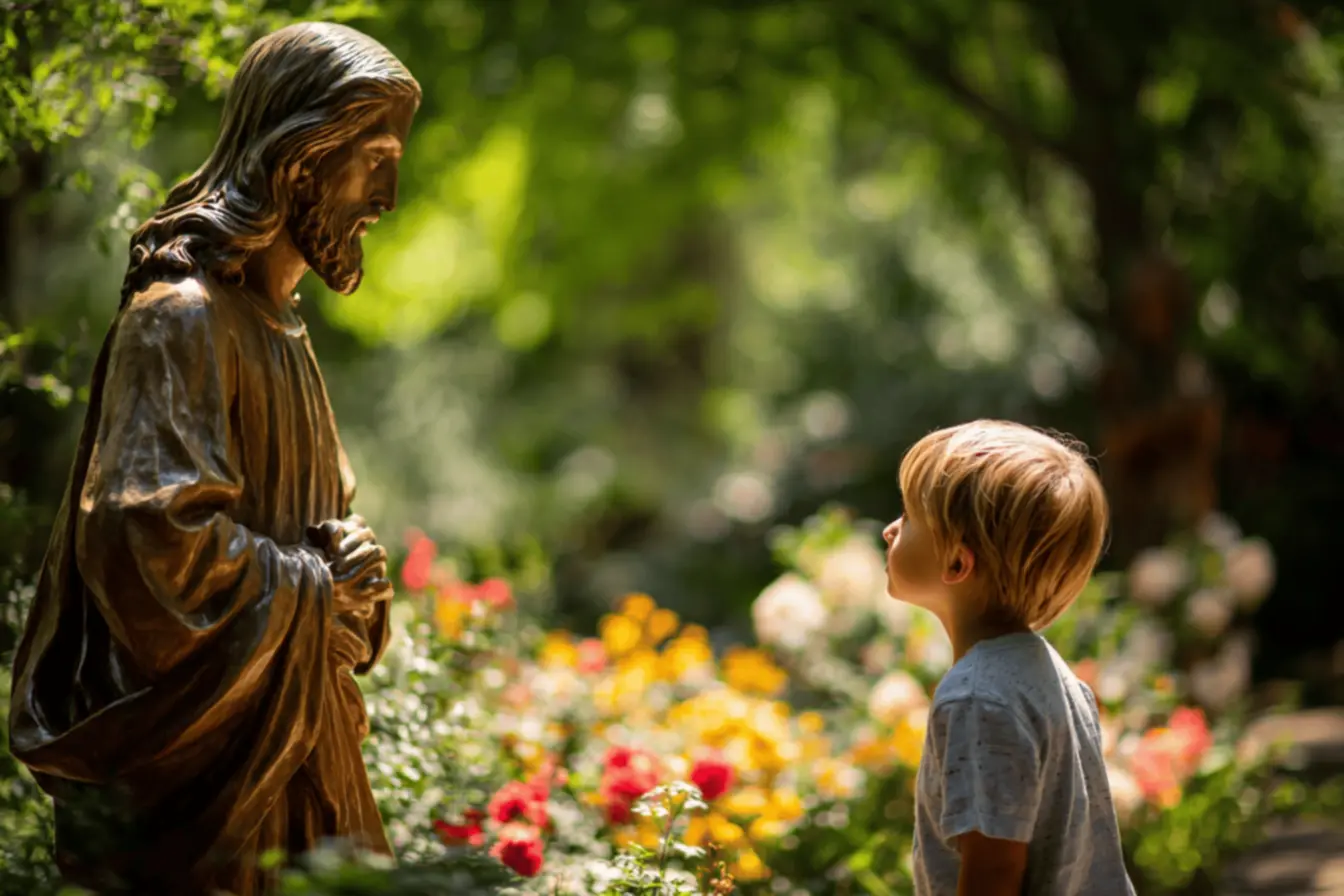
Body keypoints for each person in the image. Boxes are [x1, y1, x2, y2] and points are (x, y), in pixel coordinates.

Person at [7, 22, 420, 895]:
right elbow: (148, 544)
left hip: (299, 756)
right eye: (373, 158)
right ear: (299, 159)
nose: (388, 195)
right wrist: (314, 587)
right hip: (204, 779)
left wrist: (355, 572)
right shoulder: (181, 319)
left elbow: (313, 528)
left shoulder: (286, 333)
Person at [882, 420, 1136, 895]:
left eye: (909, 516)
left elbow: (994, 871)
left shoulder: (976, 697)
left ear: (957, 562)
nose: (889, 529)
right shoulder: (1050, 675)